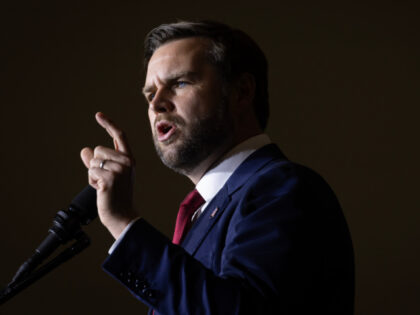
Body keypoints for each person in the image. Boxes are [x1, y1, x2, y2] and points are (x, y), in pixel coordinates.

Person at [80, 21, 354, 315]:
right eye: (150, 94)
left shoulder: (283, 188)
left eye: (180, 83)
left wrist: (123, 222)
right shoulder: (203, 214)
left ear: (241, 92)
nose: (157, 103)